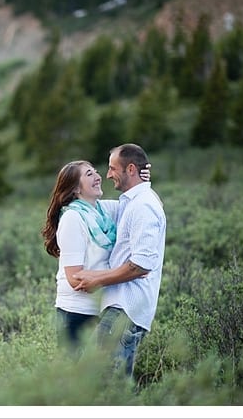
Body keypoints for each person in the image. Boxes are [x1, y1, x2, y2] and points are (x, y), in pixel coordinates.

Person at [72, 143, 166, 378]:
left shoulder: (144, 205)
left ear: (130, 169)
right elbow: (91, 207)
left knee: (92, 381)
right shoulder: (131, 202)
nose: (108, 175)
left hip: (127, 308)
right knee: (112, 386)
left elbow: (141, 265)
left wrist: (97, 278)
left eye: (113, 168)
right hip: (122, 307)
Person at [41, 159, 150, 353]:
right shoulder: (72, 218)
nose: (98, 177)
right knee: (75, 377)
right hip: (75, 312)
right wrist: (125, 272)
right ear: (75, 189)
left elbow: (139, 205)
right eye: (89, 174)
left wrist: (141, 181)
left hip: (103, 306)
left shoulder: (104, 210)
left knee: (99, 376)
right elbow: (75, 279)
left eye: (95, 171)